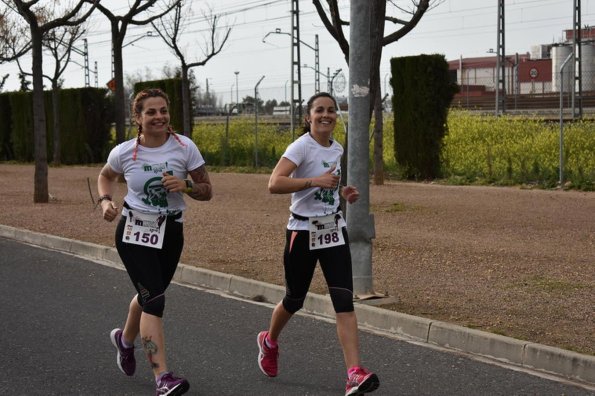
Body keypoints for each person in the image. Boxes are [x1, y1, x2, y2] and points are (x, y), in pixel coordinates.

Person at [256, 92, 380, 396]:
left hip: (333, 230)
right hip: (301, 232)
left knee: (343, 301)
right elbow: (274, 183)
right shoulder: (300, 146)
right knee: (294, 299)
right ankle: (269, 341)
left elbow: (328, 186)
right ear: (308, 117)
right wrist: (313, 182)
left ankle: (353, 373)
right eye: (319, 110)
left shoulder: (336, 148)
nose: (326, 115)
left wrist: (342, 193)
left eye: (331, 110)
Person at [97, 88, 212, 396]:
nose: (159, 116)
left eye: (163, 110)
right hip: (134, 231)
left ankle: (125, 339)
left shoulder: (184, 147)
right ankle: (162, 376)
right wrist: (106, 201)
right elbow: (105, 176)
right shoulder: (123, 152)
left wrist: (186, 185)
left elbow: (206, 189)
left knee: (151, 294)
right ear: (138, 117)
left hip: (171, 232)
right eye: (151, 112)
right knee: (155, 301)